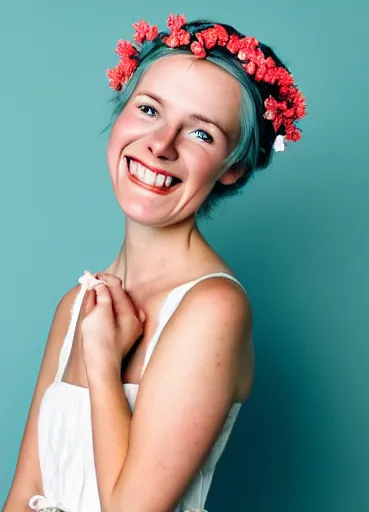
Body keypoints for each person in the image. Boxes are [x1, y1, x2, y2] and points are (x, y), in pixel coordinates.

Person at [2, 13, 306, 512]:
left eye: (201, 134)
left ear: (233, 169)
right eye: (149, 110)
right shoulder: (77, 305)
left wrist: (102, 363)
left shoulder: (213, 309)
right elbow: (22, 495)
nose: (160, 145)